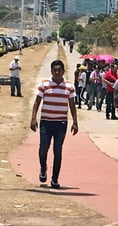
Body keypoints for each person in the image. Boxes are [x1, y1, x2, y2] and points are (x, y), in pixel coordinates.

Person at [29, 60, 78, 189]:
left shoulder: (69, 86)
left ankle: (55, 179)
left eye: (59, 70)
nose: (57, 72)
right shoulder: (44, 84)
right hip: (46, 122)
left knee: (58, 151)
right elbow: (37, 102)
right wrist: (33, 118)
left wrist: (75, 122)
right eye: (55, 70)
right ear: (51, 71)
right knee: (43, 149)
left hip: (61, 123)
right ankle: (43, 168)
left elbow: (72, 105)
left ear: (63, 71)